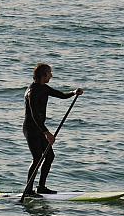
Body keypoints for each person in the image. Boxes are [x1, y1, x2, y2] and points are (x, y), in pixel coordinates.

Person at [23, 63, 83, 196]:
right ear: (43, 75)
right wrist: (47, 133)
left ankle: (41, 187)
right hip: (31, 128)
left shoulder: (44, 88)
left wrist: (73, 93)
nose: (51, 75)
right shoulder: (32, 91)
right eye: (49, 72)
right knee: (37, 158)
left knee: (49, 156)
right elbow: (34, 116)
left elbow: (60, 94)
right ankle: (28, 190)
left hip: (40, 128)